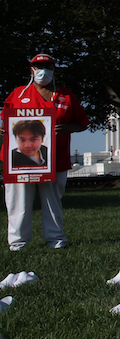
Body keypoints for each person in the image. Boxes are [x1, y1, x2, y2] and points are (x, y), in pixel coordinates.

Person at [1, 54, 89, 250]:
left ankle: (56, 240)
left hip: (55, 159)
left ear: (54, 69)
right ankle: (18, 243)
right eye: (38, 66)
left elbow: (82, 122)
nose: (43, 71)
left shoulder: (65, 95)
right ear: (31, 70)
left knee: (52, 202)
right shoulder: (18, 94)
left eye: (47, 66)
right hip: (20, 162)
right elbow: (6, 119)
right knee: (18, 202)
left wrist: (68, 128)